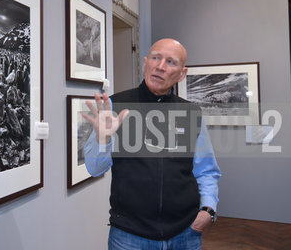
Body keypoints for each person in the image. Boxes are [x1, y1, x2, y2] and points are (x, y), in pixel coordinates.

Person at [82, 38, 221, 250]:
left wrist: (208, 209)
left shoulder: (192, 113)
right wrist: (104, 138)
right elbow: (94, 168)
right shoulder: (115, 105)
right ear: (145, 62)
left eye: (171, 62)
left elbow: (206, 170)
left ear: (182, 74)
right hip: (129, 236)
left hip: (185, 232)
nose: (160, 66)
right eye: (156, 58)